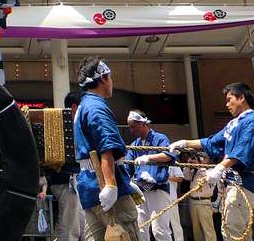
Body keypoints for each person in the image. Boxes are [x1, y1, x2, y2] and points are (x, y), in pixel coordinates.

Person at [166, 82, 254, 241]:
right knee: (230, 230)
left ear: (241, 98)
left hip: (244, 183)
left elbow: (243, 149)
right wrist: (185, 143)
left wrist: (220, 167)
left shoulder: (253, 121)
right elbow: (212, 142)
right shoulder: (234, 123)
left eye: (229, 99)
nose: (227, 105)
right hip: (233, 185)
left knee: (234, 231)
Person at [72, 57, 141, 241]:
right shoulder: (96, 107)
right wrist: (111, 185)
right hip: (106, 187)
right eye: (110, 77)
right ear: (103, 77)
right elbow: (106, 148)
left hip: (90, 188)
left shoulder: (83, 106)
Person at [126, 110, 175, 241]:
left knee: (159, 230)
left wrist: (149, 157)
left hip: (158, 189)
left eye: (133, 125)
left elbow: (168, 155)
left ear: (142, 123)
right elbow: (127, 168)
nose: (131, 130)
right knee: (140, 229)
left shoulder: (160, 138)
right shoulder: (134, 145)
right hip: (140, 191)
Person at [45, 92, 84, 241]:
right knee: (70, 227)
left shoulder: (76, 127)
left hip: (77, 182)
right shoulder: (61, 127)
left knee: (83, 224)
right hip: (66, 181)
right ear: (74, 107)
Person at [182, 155, 216, 241]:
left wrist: (199, 166)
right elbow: (186, 177)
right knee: (196, 229)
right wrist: (188, 165)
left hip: (204, 201)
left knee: (207, 228)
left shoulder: (211, 170)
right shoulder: (195, 171)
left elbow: (208, 178)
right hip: (193, 201)